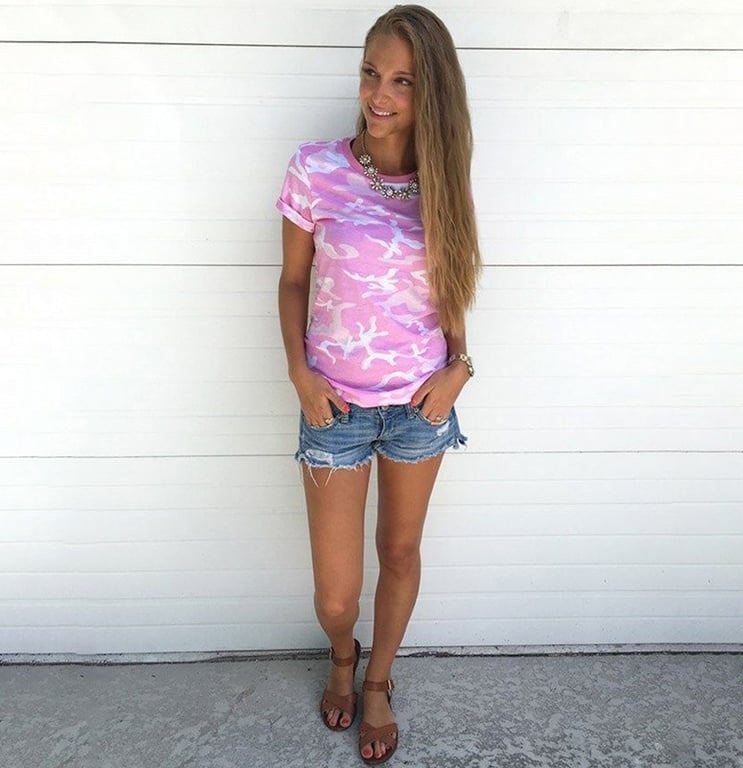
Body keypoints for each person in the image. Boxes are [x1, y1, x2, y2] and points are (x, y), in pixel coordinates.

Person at [276, 4, 480, 763]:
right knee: (335, 594)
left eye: (403, 80)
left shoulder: (444, 180)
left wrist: (460, 366)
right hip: (334, 405)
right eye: (372, 73)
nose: (380, 94)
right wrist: (299, 373)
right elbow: (293, 282)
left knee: (399, 553)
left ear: (432, 92)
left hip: (420, 406)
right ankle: (342, 652)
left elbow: (454, 287)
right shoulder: (316, 168)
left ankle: (377, 682)